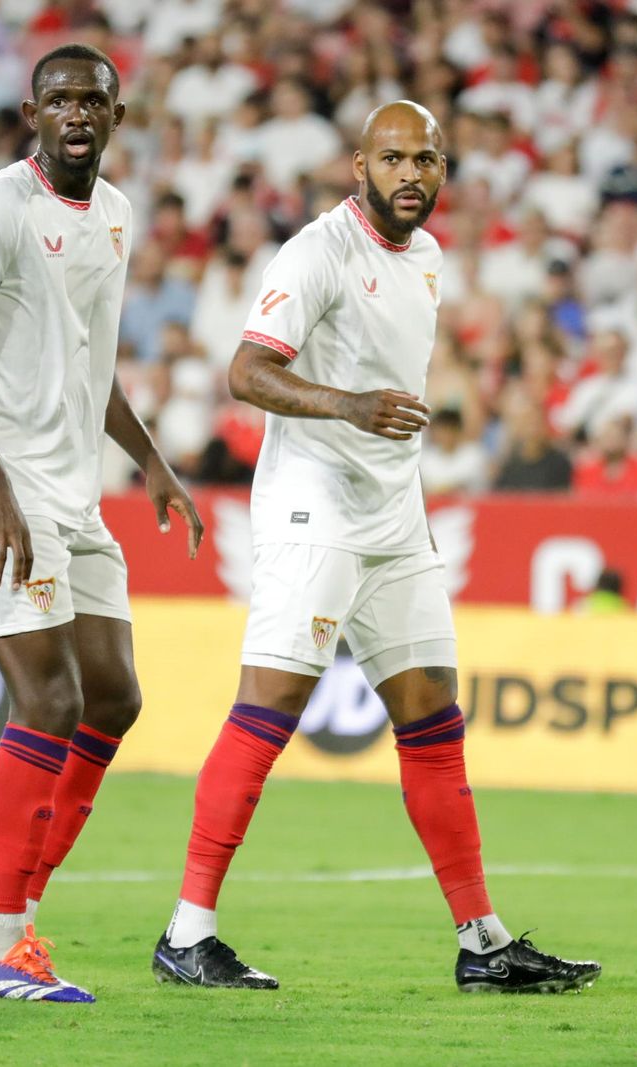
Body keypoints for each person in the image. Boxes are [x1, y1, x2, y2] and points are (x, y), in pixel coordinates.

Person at [153, 100, 599, 995]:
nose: (409, 175)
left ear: (443, 170)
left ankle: (482, 940)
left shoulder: (428, 257)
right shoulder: (317, 253)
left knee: (433, 715)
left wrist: (412, 503)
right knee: (271, 706)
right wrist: (347, 404)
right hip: (314, 506)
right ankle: (187, 932)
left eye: (425, 160)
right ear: (359, 166)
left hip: (396, 514)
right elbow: (246, 371)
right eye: (391, 159)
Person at [0, 44, 204, 1004]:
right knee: (49, 701)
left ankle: (14, 914)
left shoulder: (113, 216)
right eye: (60, 99)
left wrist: (148, 457)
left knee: (113, 697)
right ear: (32, 112)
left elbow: (87, 362)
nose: (78, 114)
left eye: (95, 101)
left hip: (71, 490)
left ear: (120, 118)